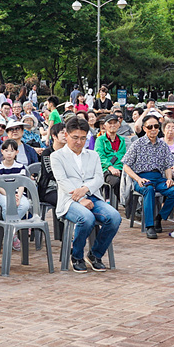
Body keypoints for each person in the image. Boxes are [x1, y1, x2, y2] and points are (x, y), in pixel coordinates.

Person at [52, 115, 122, 273]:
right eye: (75, 137)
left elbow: (99, 178)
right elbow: (62, 180)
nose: (79, 142)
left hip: (93, 197)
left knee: (114, 217)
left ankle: (95, 254)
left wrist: (85, 190)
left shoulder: (93, 155)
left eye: (83, 138)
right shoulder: (57, 156)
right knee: (86, 218)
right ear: (66, 135)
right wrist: (80, 199)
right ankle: (76, 255)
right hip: (69, 201)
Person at [123, 113, 174, 239]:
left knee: (173, 190)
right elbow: (126, 166)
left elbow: (167, 165)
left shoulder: (163, 145)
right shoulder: (137, 144)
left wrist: (169, 179)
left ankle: (159, 218)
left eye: (156, 126)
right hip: (142, 177)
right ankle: (149, 226)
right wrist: (138, 179)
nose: (153, 129)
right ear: (144, 128)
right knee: (149, 189)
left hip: (158, 178)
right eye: (150, 127)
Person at [95, 113, 127, 204]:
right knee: (116, 181)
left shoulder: (122, 140)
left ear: (119, 124)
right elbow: (100, 156)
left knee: (130, 181)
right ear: (105, 126)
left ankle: (131, 204)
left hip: (120, 169)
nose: (113, 125)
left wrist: (119, 168)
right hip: (105, 170)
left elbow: (123, 156)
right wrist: (111, 167)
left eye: (115, 123)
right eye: (110, 123)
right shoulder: (100, 140)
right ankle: (125, 203)